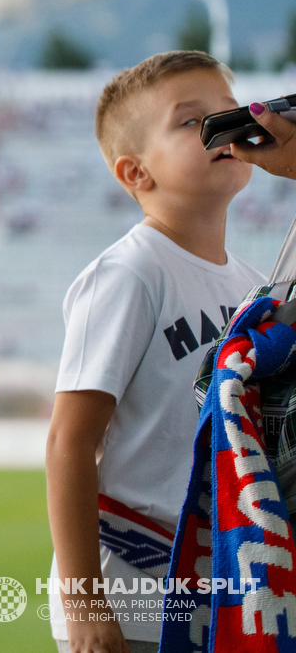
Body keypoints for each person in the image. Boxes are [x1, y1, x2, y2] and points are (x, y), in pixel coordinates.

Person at [44, 51, 264, 653]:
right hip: (134, 597)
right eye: (193, 120)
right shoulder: (129, 273)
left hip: (220, 593)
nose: (226, 125)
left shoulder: (252, 285)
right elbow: (69, 443)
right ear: (136, 172)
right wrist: (85, 606)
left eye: (231, 109)